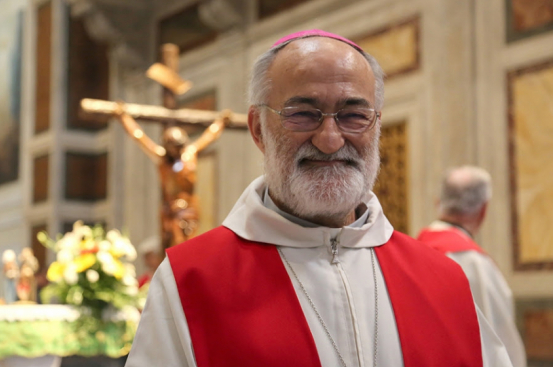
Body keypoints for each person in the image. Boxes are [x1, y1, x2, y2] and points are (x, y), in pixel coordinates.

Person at [125, 30, 512, 367]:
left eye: (353, 115)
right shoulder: (191, 282)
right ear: (259, 129)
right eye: (303, 114)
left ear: (375, 125)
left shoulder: (444, 280)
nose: (330, 138)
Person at [417, 165, 526, 367]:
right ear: (483, 210)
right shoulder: (473, 263)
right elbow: (499, 342)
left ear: (438, 203)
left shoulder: (412, 252)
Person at [114, 105, 233, 250]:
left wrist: (220, 122)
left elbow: (209, 136)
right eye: (171, 147)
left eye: (178, 146)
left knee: (191, 244)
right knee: (174, 246)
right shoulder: (162, 159)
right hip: (171, 210)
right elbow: (139, 136)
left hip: (190, 208)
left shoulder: (189, 154)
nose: (175, 150)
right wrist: (124, 118)